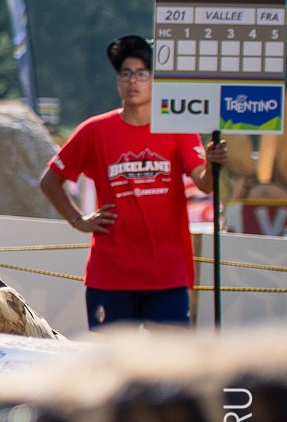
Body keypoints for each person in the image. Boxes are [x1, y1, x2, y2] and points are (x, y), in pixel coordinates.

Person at [39, 35, 226, 330]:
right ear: (117, 81)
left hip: (167, 274)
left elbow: (203, 183)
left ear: (155, 80)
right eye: (125, 73)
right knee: (112, 367)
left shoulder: (178, 128)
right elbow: (50, 181)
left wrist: (213, 163)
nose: (133, 81)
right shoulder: (94, 130)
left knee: (172, 367)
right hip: (111, 274)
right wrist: (78, 219)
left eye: (141, 73)